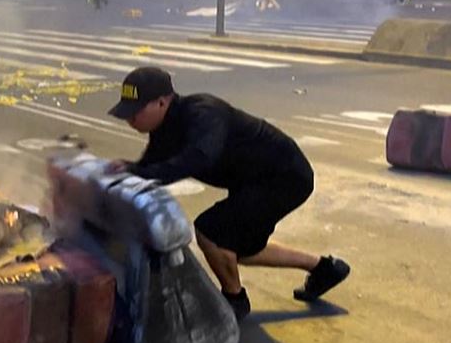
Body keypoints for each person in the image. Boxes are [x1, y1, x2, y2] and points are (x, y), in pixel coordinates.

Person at [106, 67, 351, 320]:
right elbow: (151, 167)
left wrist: (140, 174)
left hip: (283, 176)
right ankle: (326, 269)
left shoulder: (203, 112)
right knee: (236, 248)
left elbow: (199, 157)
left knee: (212, 232)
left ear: (161, 102)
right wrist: (128, 170)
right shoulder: (164, 128)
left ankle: (234, 300)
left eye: (136, 112)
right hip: (254, 180)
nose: (130, 119)